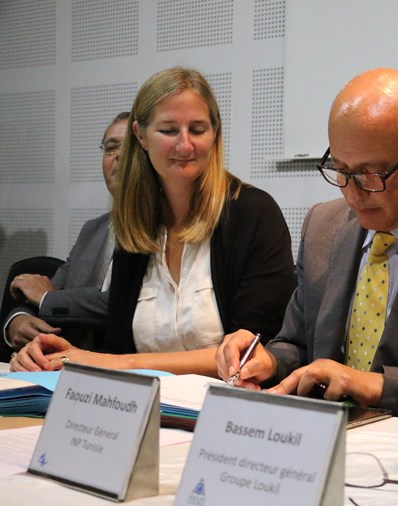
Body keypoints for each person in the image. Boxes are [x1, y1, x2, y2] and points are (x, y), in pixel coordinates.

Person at [216, 68, 398, 415]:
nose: (352, 194)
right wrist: (267, 360)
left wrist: (372, 385)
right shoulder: (322, 226)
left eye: (372, 174)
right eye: (341, 170)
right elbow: (297, 344)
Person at [11, 67, 296, 376]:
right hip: (142, 408)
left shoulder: (253, 213)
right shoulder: (135, 221)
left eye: (198, 130)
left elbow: (254, 352)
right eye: (169, 131)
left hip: (226, 409)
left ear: (215, 134)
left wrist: (114, 363)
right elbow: (116, 345)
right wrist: (52, 357)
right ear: (140, 136)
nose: (185, 145)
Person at [4, 112, 129, 353]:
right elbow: (49, 288)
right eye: (111, 147)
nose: (120, 156)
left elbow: (124, 305)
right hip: (63, 369)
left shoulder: (163, 229)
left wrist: (47, 299)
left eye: (130, 148)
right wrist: (17, 320)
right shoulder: (92, 230)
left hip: (124, 370)